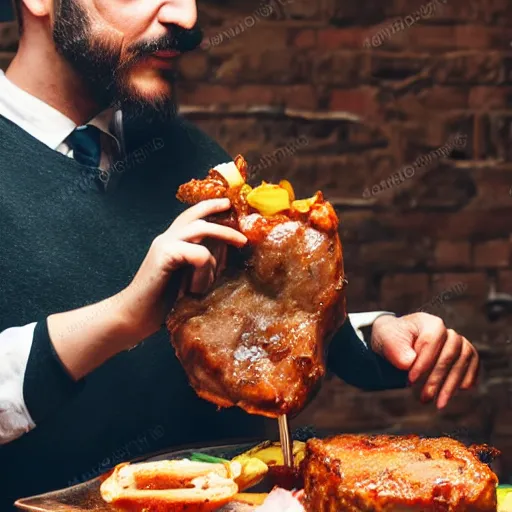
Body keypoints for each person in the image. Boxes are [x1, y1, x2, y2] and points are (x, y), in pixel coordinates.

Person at [0, 0, 478, 507]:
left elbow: (251, 316)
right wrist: (121, 317)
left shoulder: (194, 158)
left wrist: (375, 335)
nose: (185, 18)